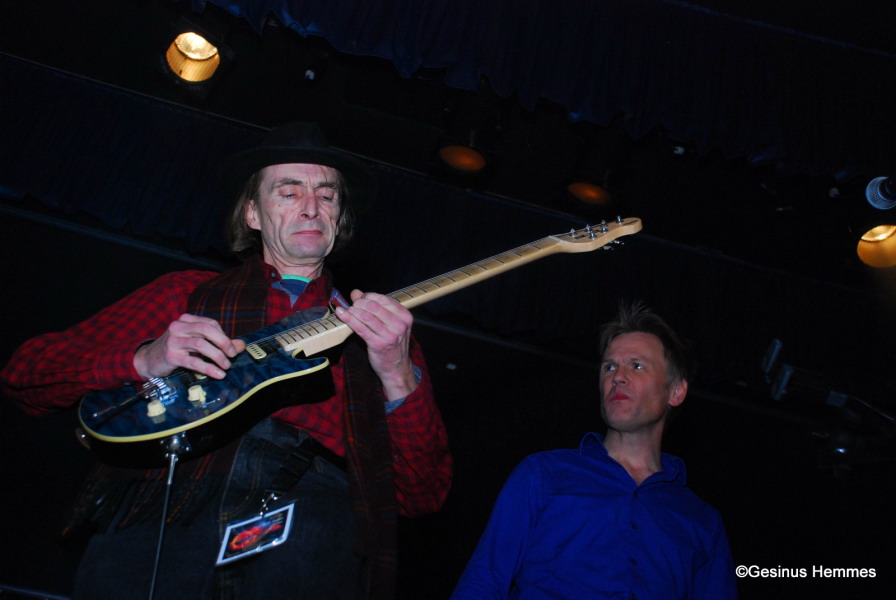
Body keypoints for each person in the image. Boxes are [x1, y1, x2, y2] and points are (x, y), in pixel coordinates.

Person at [0, 122, 452, 600]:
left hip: (313, 519)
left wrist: (396, 373)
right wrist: (144, 358)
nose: (311, 207)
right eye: (289, 192)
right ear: (253, 213)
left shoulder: (383, 331)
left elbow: (421, 494)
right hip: (168, 500)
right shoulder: (184, 293)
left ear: (339, 219)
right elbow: (25, 376)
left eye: (327, 195)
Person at [451, 302, 737, 599]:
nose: (618, 376)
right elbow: (483, 580)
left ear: (676, 391)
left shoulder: (702, 521)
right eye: (609, 366)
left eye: (636, 365)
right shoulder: (544, 475)